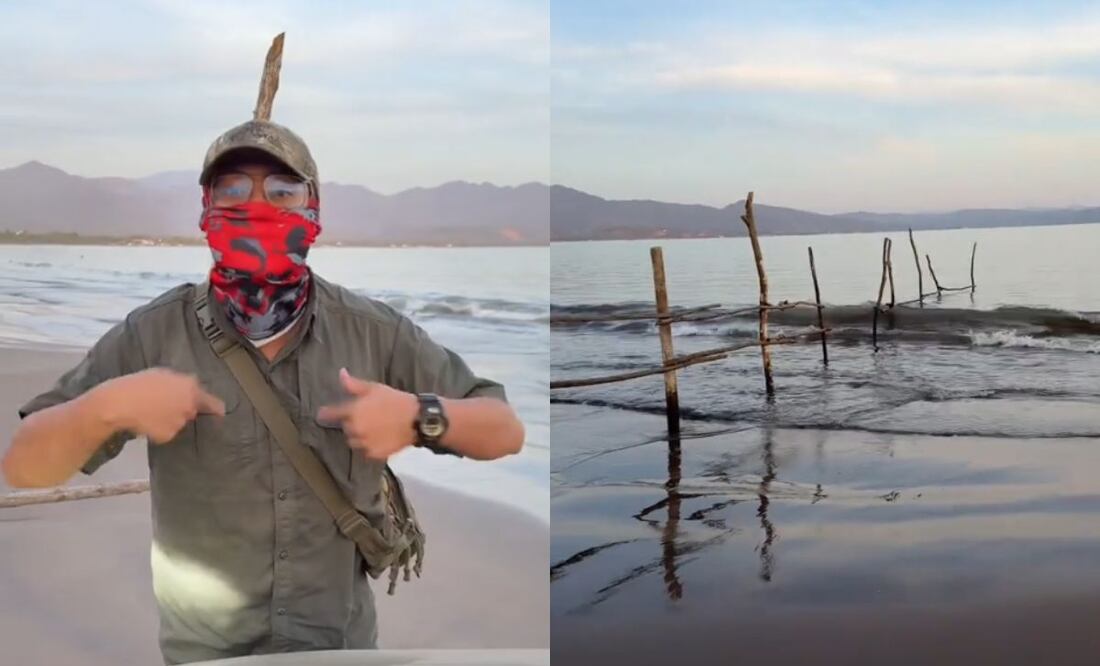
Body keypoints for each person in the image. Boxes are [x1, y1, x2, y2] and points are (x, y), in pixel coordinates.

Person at [1, 119, 525, 664]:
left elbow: (503, 429)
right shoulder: (153, 334)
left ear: (313, 207)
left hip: (338, 650)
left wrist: (420, 416)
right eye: (232, 189)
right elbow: (24, 466)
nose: (256, 205)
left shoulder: (373, 331)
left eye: (281, 190)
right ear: (205, 208)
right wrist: (104, 409)